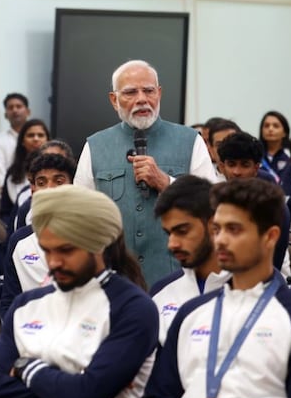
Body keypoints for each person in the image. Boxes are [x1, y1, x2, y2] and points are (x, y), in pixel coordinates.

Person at [142, 178, 291, 398]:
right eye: (217, 229)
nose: (221, 240)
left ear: (270, 237)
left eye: (234, 229)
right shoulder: (190, 313)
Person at [0, 185, 159, 398]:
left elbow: (89, 397)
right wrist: (71, 382)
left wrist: (24, 367)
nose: (53, 262)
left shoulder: (133, 308)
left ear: (97, 245)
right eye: (47, 251)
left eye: (66, 250)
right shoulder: (26, 305)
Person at [75, 59, 216, 285]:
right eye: (130, 92)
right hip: (114, 279)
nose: (141, 99)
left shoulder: (190, 141)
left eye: (149, 91)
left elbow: (213, 205)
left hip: (178, 278)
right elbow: (80, 215)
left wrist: (166, 182)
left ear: (159, 93)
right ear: (114, 100)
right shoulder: (95, 145)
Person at [150, 175, 231, 346]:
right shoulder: (160, 293)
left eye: (182, 231)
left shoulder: (257, 287)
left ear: (213, 224)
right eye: (168, 233)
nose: (172, 244)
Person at [0, 153, 77, 314]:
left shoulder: (89, 236)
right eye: (41, 183)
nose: (49, 188)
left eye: (58, 181)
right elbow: (9, 301)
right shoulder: (19, 240)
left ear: (73, 185)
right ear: (33, 190)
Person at [216, 132, 291, 273]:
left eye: (245, 165)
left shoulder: (274, 206)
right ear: (221, 167)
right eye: (231, 164)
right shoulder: (212, 201)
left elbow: (273, 262)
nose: (237, 172)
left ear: (256, 168)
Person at [0, 119, 50, 227]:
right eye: (31, 135)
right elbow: (5, 211)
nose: (36, 139)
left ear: (48, 140)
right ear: (22, 141)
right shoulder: (12, 173)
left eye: (40, 135)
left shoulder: (59, 170)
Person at [0, 93, 31, 200]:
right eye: (10, 107)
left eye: (19, 106)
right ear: (5, 114)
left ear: (28, 112)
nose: (15, 110)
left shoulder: (37, 137)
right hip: (9, 195)